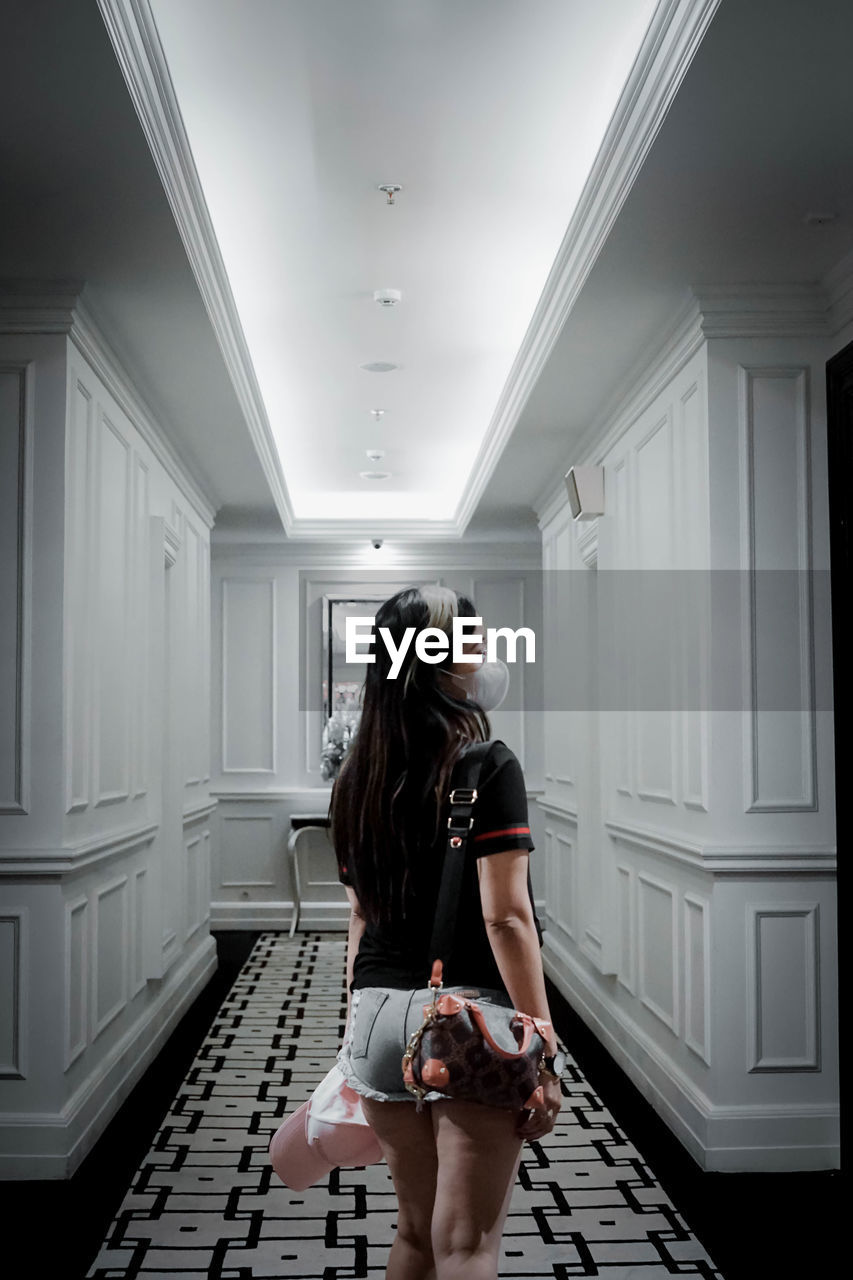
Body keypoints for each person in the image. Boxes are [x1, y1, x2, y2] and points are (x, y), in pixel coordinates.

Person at [329, 585, 562, 1280]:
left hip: (373, 1016)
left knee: (413, 1236)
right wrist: (543, 1051)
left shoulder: (354, 777)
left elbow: (359, 916)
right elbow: (506, 917)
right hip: (466, 1023)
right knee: (466, 1245)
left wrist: (356, 1025)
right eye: (470, 636)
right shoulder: (487, 765)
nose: (484, 649)